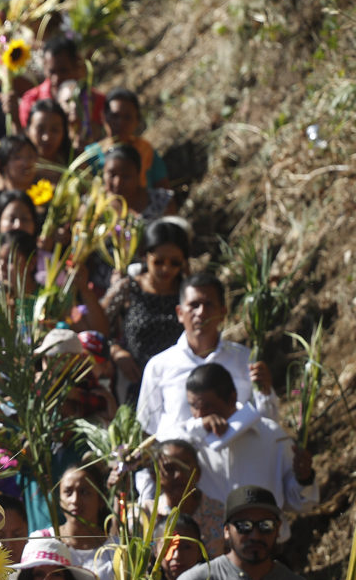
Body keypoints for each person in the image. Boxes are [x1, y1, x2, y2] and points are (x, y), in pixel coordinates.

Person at [137, 272, 278, 441]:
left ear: (223, 312)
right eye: (194, 305)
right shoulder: (159, 366)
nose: (201, 312)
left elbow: (267, 423)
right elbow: (148, 430)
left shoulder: (245, 360)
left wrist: (266, 393)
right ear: (180, 313)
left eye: (209, 305)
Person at [169, 485, 324, 580]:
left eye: (266, 525)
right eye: (244, 525)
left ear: (278, 529)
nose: (255, 535)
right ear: (227, 531)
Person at [174, 364, 317, 520]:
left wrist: (304, 478)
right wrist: (199, 428)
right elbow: (160, 449)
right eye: (193, 406)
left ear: (232, 398)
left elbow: (300, 502)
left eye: (207, 406)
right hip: (213, 543)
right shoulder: (190, 440)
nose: (199, 414)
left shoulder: (270, 435)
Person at [102, 219, 191, 402]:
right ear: (145, 255)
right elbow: (97, 327)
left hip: (180, 385)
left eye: (174, 263)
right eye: (158, 261)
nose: (166, 269)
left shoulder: (189, 294)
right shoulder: (128, 288)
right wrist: (116, 352)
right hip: (134, 384)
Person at [30, 465, 116, 580]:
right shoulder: (41, 542)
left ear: (101, 499)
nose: (75, 500)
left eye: (84, 492)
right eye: (68, 492)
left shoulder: (116, 551)